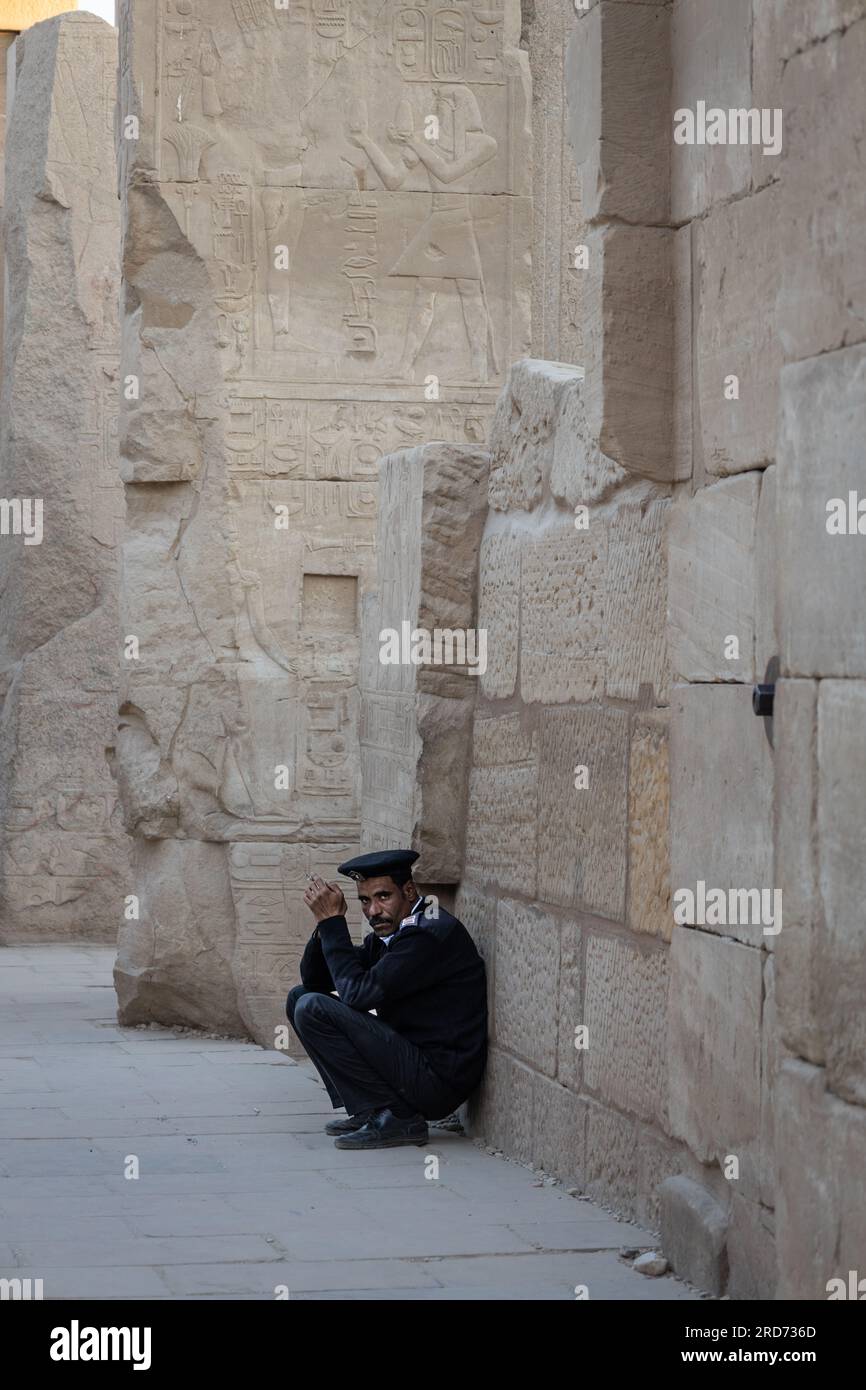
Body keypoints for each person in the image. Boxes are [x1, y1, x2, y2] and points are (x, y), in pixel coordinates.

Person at [286, 849, 487, 1149]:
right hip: (411, 1063)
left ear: (408, 891)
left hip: (437, 1081)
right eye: (365, 901)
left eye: (383, 897)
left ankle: (398, 1118)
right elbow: (315, 981)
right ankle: (371, 1110)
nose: (373, 911)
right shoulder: (395, 931)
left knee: (312, 1007)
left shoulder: (426, 935)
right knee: (300, 997)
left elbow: (357, 995)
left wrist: (333, 925)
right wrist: (323, 926)